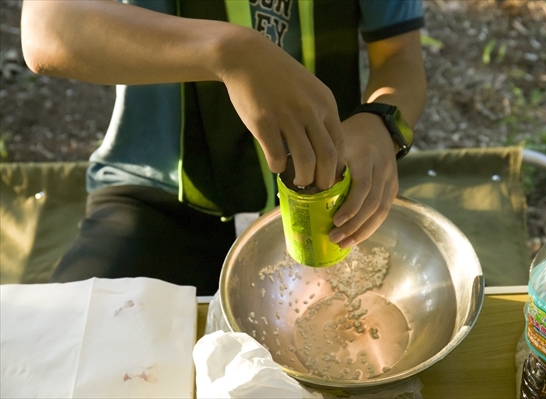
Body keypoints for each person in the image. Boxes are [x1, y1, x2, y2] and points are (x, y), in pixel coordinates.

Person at [20, 0, 427, 295]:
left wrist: (381, 123)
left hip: (328, 199)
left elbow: (399, 54)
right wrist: (229, 51)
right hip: (156, 199)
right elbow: (48, 25)